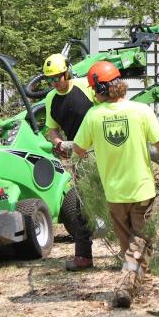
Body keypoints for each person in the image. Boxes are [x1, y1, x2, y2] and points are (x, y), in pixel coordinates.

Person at [72, 61, 159, 308]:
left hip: (115, 193)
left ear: (98, 89)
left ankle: (130, 284)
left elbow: (78, 150)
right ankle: (125, 286)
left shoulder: (93, 116)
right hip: (142, 189)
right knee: (141, 240)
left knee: (128, 245)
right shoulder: (141, 111)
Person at [42, 53, 96, 272]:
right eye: (50, 80)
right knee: (82, 204)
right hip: (79, 156)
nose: (54, 83)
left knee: (116, 200)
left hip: (102, 151)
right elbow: (51, 128)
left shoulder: (85, 86)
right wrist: (57, 141)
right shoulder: (50, 99)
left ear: (67, 72)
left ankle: (128, 251)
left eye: (57, 77)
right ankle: (83, 256)